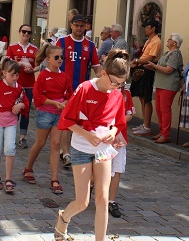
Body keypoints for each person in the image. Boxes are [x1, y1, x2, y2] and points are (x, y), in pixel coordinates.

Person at [53, 49, 130, 241]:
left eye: (122, 84)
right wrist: (87, 135)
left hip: (103, 151)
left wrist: (112, 133)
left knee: (103, 199)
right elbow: (67, 120)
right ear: (103, 73)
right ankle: (64, 217)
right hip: (81, 149)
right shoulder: (85, 88)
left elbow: (119, 123)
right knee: (82, 202)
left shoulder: (117, 95)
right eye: (114, 82)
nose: (117, 87)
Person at [22, 43, 73, 193]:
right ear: (48, 59)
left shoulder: (64, 76)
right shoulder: (43, 75)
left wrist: (64, 102)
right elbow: (38, 97)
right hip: (44, 113)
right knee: (40, 142)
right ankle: (28, 168)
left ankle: (54, 179)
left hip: (58, 114)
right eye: (56, 57)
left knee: (56, 144)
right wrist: (54, 102)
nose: (60, 59)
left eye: (61, 57)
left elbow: (70, 95)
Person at [56, 14, 102, 167]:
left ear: (86, 27)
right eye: (77, 25)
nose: (79, 28)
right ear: (71, 25)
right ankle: (66, 152)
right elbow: (53, 64)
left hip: (82, 90)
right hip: (63, 89)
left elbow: (97, 67)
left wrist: (106, 81)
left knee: (76, 121)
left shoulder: (90, 46)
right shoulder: (61, 42)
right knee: (66, 119)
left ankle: (69, 150)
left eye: (82, 26)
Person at [0, 59, 29, 194]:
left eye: (17, 75)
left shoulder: (18, 88)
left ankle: (8, 178)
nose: (15, 78)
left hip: (11, 121)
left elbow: (25, 103)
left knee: (10, 148)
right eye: (12, 75)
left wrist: (20, 105)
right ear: (4, 73)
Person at [143, 33, 184, 143]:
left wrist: (154, 66)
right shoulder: (166, 53)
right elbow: (161, 68)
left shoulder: (176, 54)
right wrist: (152, 67)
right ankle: (162, 131)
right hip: (160, 83)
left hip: (169, 85)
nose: (167, 41)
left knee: (165, 109)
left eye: (169, 39)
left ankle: (166, 134)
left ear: (175, 42)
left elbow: (168, 70)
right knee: (159, 109)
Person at [5, 24, 38, 149]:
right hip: (14, 84)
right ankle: (10, 135)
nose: (26, 34)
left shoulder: (34, 49)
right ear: (19, 32)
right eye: (24, 31)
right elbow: (7, 64)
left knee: (26, 111)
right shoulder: (13, 47)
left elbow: (38, 65)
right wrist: (19, 64)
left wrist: (33, 70)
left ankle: (22, 137)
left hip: (29, 84)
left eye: (28, 32)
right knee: (13, 110)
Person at [131, 19, 162, 136]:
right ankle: (145, 124)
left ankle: (147, 125)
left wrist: (137, 60)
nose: (145, 29)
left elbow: (150, 58)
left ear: (153, 29)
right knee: (142, 98)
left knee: (146, 98)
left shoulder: (156, 41)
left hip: (147, 71)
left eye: (147, 27)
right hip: (142, 69)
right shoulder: (149, 40)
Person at [108, 86, 134, 218]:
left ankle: (111, 201)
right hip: (105, 138)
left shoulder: (126, 93)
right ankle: (91, 186)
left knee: (117, 170)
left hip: (120, 138)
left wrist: (119, 122)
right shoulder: (104, 90)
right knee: (100, 169)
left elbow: (129, 113)